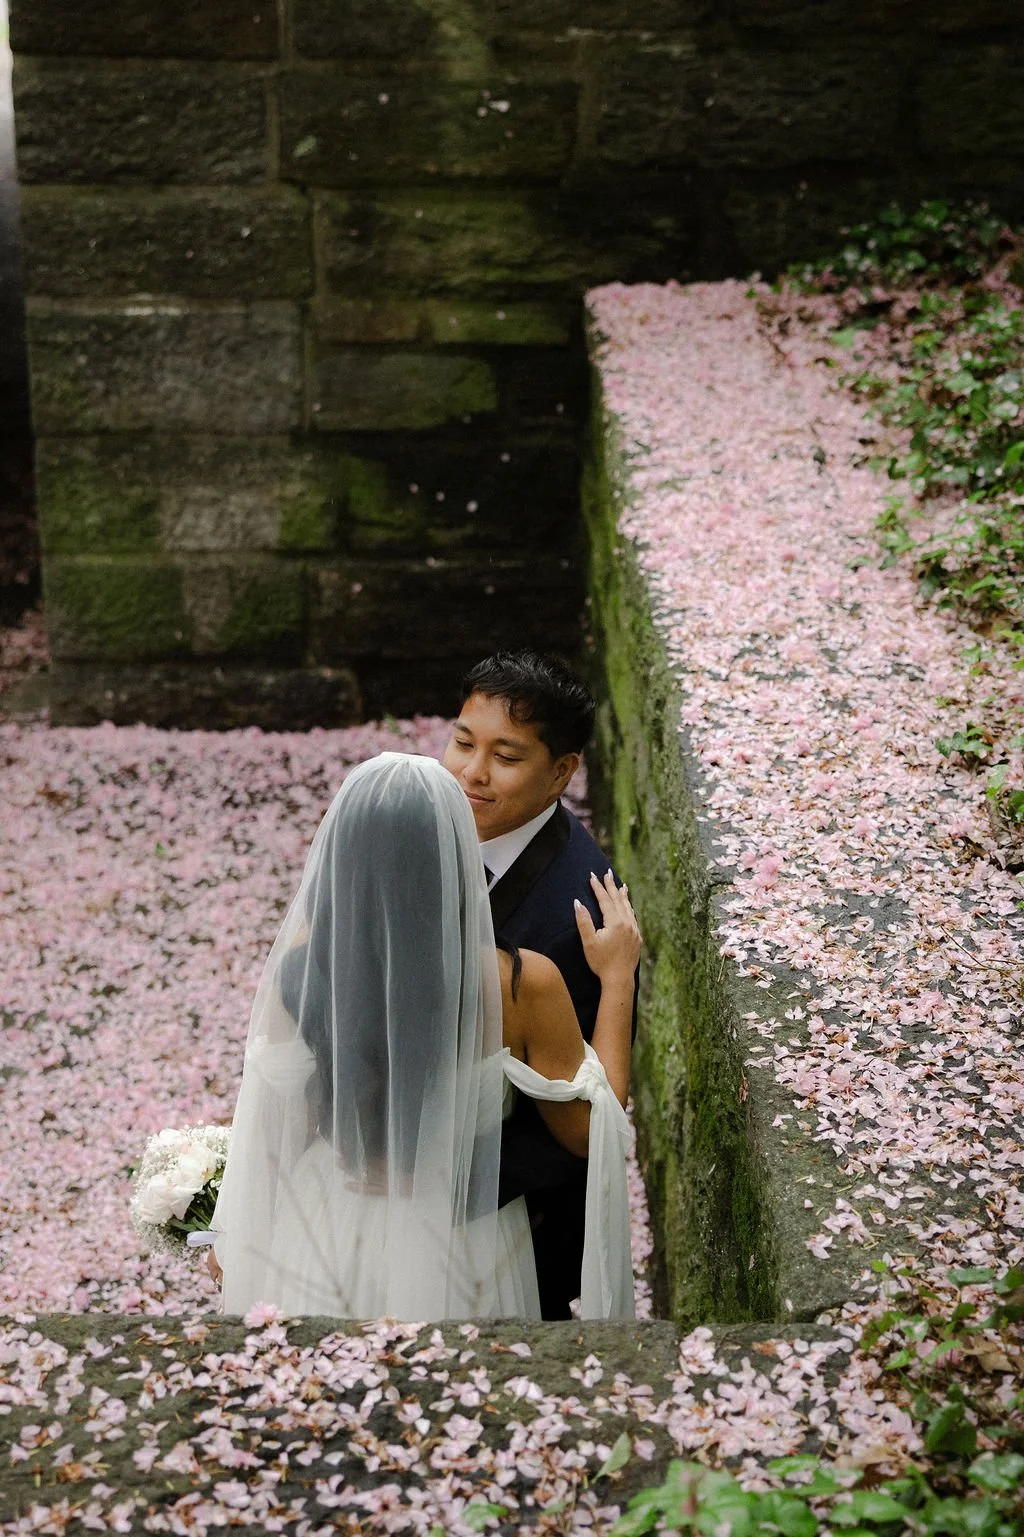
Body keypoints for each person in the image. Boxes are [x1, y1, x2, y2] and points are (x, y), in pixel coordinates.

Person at [209, 752, 639, 1320]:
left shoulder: (306, 967)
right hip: (462, 1239)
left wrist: (236, 1231)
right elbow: (588, 1130)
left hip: (326, 1219)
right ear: (454, 855)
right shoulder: (518, 983)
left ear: (340, 857)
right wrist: (617, 980)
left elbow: (276, 1125)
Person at [442, 651, 634, 1319]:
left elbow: (574, 1125)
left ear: (561, 772)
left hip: (504, 1227)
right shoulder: (431, 818)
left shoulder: (572, 912)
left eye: (506, 755)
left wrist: (431, 1190)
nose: (473, 771)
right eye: (463, 742)